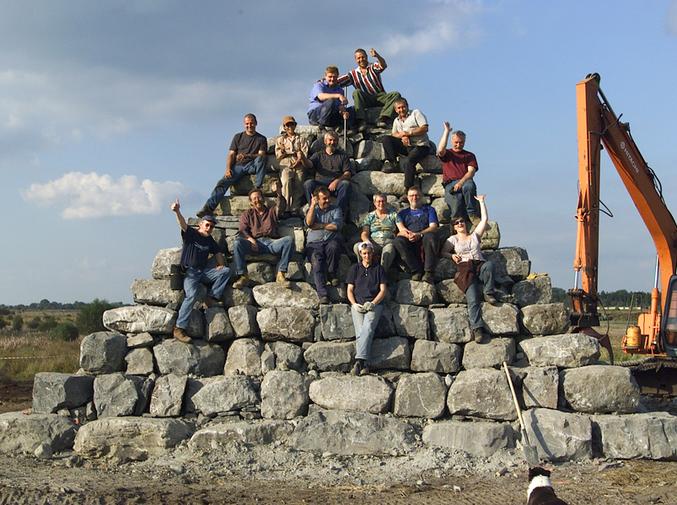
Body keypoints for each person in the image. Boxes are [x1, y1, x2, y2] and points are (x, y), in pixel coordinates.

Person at [170, 199, 231, 344]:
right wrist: (177, 211)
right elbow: (182, 224)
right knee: (191, 296)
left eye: (211, 227)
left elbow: (218, 253)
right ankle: (179, 328)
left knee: (226, 271)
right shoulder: (191, 234)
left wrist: (220, 265)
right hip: (190, 273)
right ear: (200, 224)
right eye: (207, 225)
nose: (209, 228)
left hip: (203, 272)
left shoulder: (210, 240)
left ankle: (211, 298)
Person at [440, 195, 499, 343]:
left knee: (489, 265)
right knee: (472, 299)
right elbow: (443, 252)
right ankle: (477, 328)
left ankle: (488, 292)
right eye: (457, 223)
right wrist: (451, 256)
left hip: (479, 264)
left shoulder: (474, 236)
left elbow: (484, 220)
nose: (460, 224)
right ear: (454, 227)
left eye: (461, 222)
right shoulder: (452, 240)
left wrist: (481, 202)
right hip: (465, 269)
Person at [197, 113, 268, 217]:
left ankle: (257, 188)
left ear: (256, 123)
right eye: (247, 123)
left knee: (262, 159)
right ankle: (208, 208)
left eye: (251, 123)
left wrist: (247, 155)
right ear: (244, 124)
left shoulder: (261, 139)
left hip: (252, 165)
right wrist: (228, 169)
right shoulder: (238, 137)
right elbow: (231, 154)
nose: (249, 125)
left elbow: (261, 155)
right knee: (222, 183)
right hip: (238, 166)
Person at [231, 182, 293, 289]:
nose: (257, 200)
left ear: (263, 199)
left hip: (272, 243)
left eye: (258, 197)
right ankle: (243, 276)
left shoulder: (272, 211)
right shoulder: (247, 214)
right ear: (251, 202)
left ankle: (281, 274)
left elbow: (281, 206)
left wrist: (278, 193)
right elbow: (242, 230)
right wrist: (251, 239)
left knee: (288, 240)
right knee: (237, 243)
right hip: (255, 243)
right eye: (254, 199)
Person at [347, 242, 387, 376]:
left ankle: (358, 361)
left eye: (369, 253)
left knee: (368, 328)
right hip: (358, 305)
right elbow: (349, 290)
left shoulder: (379, 269)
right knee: (360, 332)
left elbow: (383, 290)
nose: (367, 255)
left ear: (372, 254)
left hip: (374, 305)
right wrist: (353, 304)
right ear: (360, 254)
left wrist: (373, 303)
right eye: (364, 253)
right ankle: (365, 364)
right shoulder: (354, 269)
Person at [338, 48, 401, 130]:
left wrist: (377, 56)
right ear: (356, 60)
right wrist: (323, 81)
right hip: (366, 99)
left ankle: (384, 118)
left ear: (366, 57)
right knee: (356, 92)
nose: (361, 60)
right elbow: (338, 81)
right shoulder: (353, 74)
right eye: (358, 58)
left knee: (396, 94)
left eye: (363, 57)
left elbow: (383, 65)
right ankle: (361, 120)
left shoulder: (372, 66)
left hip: (380, 96)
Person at [305, 186, 343, 304]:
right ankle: (323, 294)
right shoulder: (312, 210)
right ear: (317, 199)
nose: (328, 200)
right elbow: (309, 223)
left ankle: (332, 273)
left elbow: (337, 226)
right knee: (317, 262)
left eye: (328, 198)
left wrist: (319, 225)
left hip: (330, 241)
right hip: (314, 244)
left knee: (334, 247)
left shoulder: (336, 209)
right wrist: (312, 206)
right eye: (324, 199)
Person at [393, 186, 439, 284]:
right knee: (398, 241)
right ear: (408, 197)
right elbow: (400, 231)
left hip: (424, 237)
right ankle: (416, 271)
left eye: (417, 195)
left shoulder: (430, 210)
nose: (414, 198)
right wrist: (408, 235)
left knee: (430, 236)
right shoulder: (402, 213)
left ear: (421, 196)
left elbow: (433, 226)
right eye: (411, 195)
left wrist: (419, 234)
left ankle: (428, 272)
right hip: (409, 239)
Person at [380, 98, 430, 189]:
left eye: (403, 107)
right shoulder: (396, 120)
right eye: (399, 108)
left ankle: (408, 189)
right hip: (407, 146)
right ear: (395, 110)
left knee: (409, 162)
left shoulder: (416, 113)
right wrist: (403, 136)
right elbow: (394, 134)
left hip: (421, 146)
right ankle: (392, 163)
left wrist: (408, 133)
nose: (401, 109)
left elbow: (424, 128)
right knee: (386, 139)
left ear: (407, 106)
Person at [437, 123, 480, 224]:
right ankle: (455, 223)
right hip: (450, 183)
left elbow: (471, 172)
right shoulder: (448, 154)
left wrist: (461, 182)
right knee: (457, 199)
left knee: (469, 186)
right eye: (456, 142)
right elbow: (440, 149)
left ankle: (472, 214)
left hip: (464, 181)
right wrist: (446, 132)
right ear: (452, 141)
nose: (458, 145)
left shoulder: (470, 155)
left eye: (461, 142)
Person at [305, 130, 352, 215]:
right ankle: (313, 210)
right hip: (320, 184)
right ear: (325, 141)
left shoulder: (343, 156)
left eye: (334, 140)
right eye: (330, 140)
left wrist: (336, 181)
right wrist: (302, 158)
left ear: (337, 142)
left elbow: (347, 173)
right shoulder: (318, 155)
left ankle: (338, 213)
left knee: (346, 184)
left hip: (336, 185)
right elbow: (309, 165)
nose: (332, 142)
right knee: (308, 184)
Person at [275, 115, 311, 214]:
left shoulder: (301, 139)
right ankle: (286, 208)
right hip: (286, 163)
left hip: (299, 162)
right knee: (286, 183)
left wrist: (299, 160)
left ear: (295, 126)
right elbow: (278, 156)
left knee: (299, 184)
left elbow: (305, 153)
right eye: (288, 125)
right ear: (284, 127)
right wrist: (283, 152)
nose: (290, 127)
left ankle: (295, 208)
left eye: (292, 124)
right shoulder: (280, 140)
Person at [353, 192, 397, 270]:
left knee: (389, 249)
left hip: (388, 242)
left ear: (386, 202)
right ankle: (363, 269)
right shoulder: (370, 216)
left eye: (383, 201)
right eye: (379, 201)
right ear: (374, 203)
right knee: (357, 246)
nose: (381, 203)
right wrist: (367, 242)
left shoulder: (393, 215)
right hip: (373, 243)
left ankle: (382, 273)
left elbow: (401, 228)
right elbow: (364, 232)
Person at [307, 66, 355, 130]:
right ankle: (321, 128)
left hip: (331, 116)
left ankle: (348, 129)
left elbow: (340, 106)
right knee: (331, 101)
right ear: (325, 76)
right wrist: (338, 96)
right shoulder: (319, 85)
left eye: (334, 77)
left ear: (337, 77)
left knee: (352, 109)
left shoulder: (340, 90)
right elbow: (321, 96)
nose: (332, 79)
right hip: (316, 115)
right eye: (330, 77)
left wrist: (343, 111)